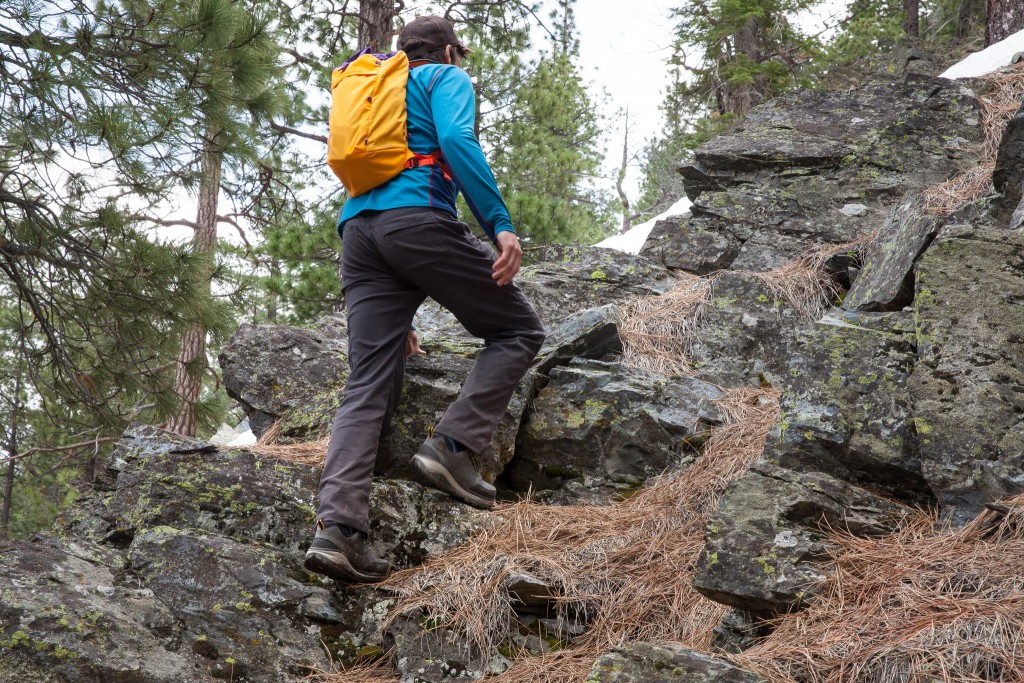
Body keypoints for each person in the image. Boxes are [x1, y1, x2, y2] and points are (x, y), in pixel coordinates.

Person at [303, 16, 546, 584]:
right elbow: (457, 142)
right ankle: (451, 448)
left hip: (359, 234)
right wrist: (500, 225)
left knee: (367, 382)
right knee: (518, 331)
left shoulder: (375, 89)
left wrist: (400, 307)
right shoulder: (443, 78)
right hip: (418, 221)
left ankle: (336, 531)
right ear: (448, 51)